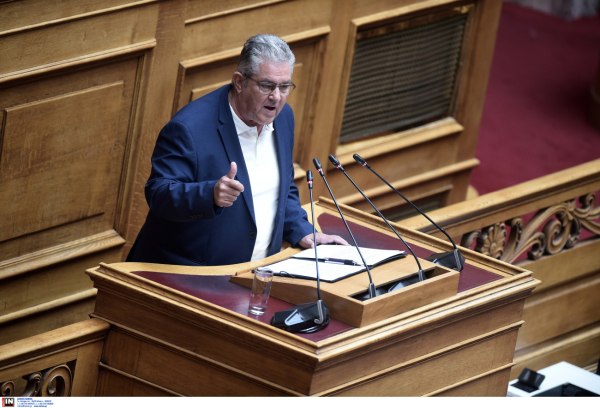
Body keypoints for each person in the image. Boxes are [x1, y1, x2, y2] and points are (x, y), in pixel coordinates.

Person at [127, 34, 347, 266]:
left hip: (257, 272)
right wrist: (210, 195)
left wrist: (301, 230)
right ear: (239, 82)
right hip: (190, 273)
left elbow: (283, 188)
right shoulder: (189, 128)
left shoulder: (283, 118)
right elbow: (159, 193)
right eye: (267, 86)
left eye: (284, 86)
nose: (276, 97)